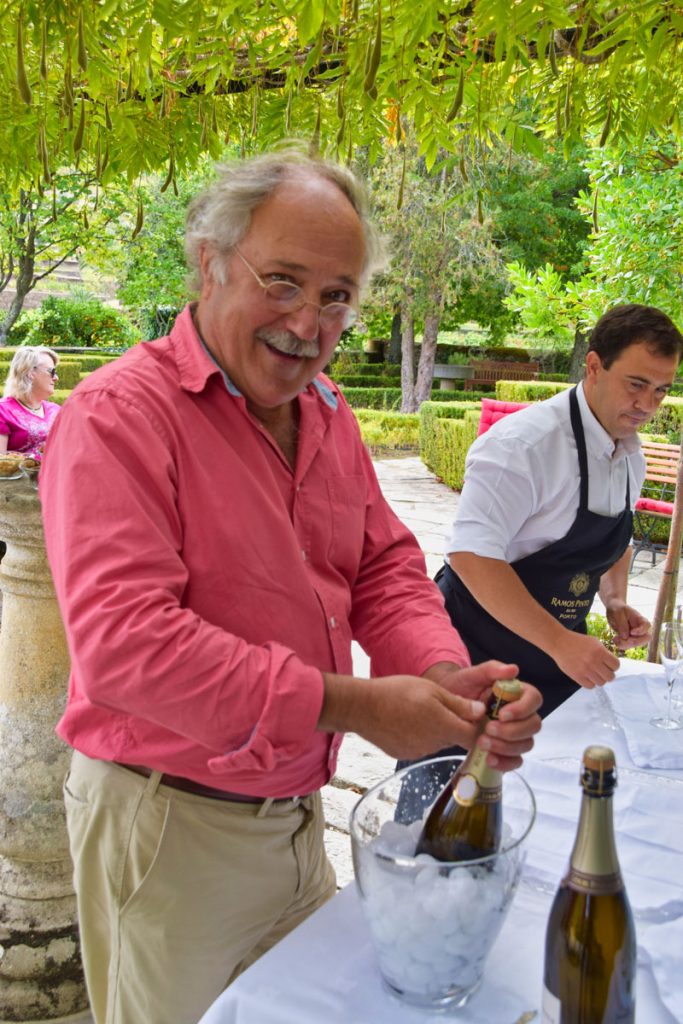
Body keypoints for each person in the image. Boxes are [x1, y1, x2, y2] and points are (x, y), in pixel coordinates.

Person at [39, 151, 542, 1024]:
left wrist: (439, 677)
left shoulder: (329, 409)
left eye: (337, 295)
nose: (308, 323)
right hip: (168, 828)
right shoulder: (120, 415)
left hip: (295, 815)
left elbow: (382, 563)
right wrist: (356, 705)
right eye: (282, 282)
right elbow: (126, 649)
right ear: (209, 262)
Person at [438, 303, 683, 719]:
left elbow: (612, 541)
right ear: (593, 366)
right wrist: (559, 642)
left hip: (555, 664)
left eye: (661, 390)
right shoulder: (523, 446)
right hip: (472, 654)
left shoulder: (630, 455)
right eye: (636, 384)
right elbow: (470, 557)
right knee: (458, 782)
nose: (648, 404)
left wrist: (615, 600)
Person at [0, 345, 60, 458]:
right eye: (52, 371)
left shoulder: (56, 410)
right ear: (29, 372)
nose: (56, 377)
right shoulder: (3, 411)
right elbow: (1, 466)